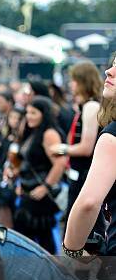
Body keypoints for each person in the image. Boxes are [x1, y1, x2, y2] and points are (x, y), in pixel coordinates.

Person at [64, 53, 116, 257]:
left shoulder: (112, 136)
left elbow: (88, 203)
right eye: (112, 64)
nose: (108, 71)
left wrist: (71, 252)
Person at [49, 62, 103, 228]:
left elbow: (86, 148)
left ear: (83, 82)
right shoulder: (85, 107)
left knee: (83, 225)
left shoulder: (91, 107)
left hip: (84, 175)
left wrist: (60, 149)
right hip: (78, 174)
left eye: (74, 80)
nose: (71, 85)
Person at [13, 96, 67, 254]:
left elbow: (60, 163)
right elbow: (29, 162)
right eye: (27, 112)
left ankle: (51, 272)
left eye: (33, 113)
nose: (28, 116)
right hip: (28, 193)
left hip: (40, 196)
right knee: (27, 236)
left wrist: (46, 187)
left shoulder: (49, 133)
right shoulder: (33, 131)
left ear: (44, 114)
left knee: (43, 238)